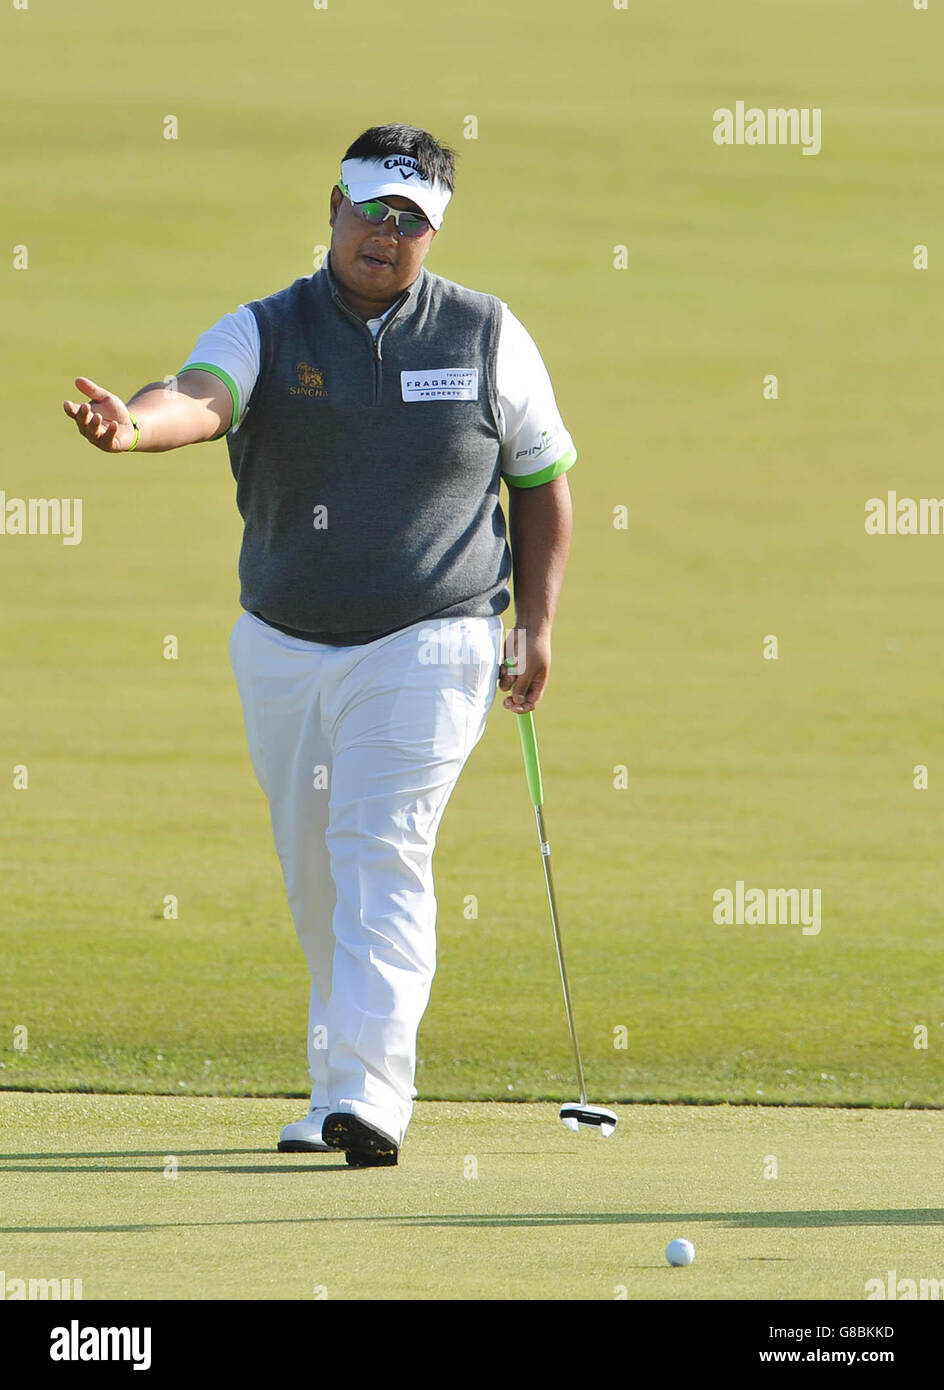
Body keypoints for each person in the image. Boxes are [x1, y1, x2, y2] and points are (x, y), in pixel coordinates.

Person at [63, 123, 576, 1167]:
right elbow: (197, 396)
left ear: (432, 234)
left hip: (435, 635)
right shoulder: (269, 325)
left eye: (409, 221)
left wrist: (536, 619)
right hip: (285, 646)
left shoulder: (485, 334)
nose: (384, 235)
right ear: (332, 207)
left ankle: (369, 1096)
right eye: (370, 211)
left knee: (380, 843)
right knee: (316, 873)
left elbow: (541, 483)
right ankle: (331, 1085)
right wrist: (133, 430)